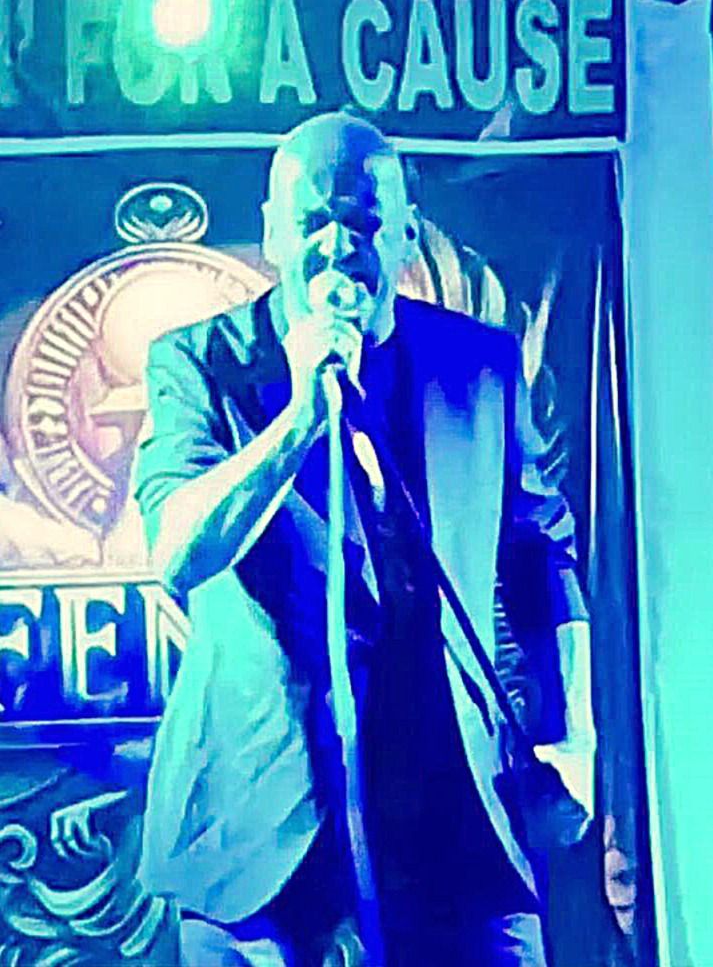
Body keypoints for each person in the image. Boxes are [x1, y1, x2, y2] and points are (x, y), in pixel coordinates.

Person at [132, 112, 597, 966]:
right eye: (312, 223)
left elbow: (541, 554)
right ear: (272, 233)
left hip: (449, 812)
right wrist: (298, 418)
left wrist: (571, 734)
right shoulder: (199, 361)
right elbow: (178, 553)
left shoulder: (478, 365)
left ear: (406, 233)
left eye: (363, 222)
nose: (337, 249)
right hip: (259, 828)